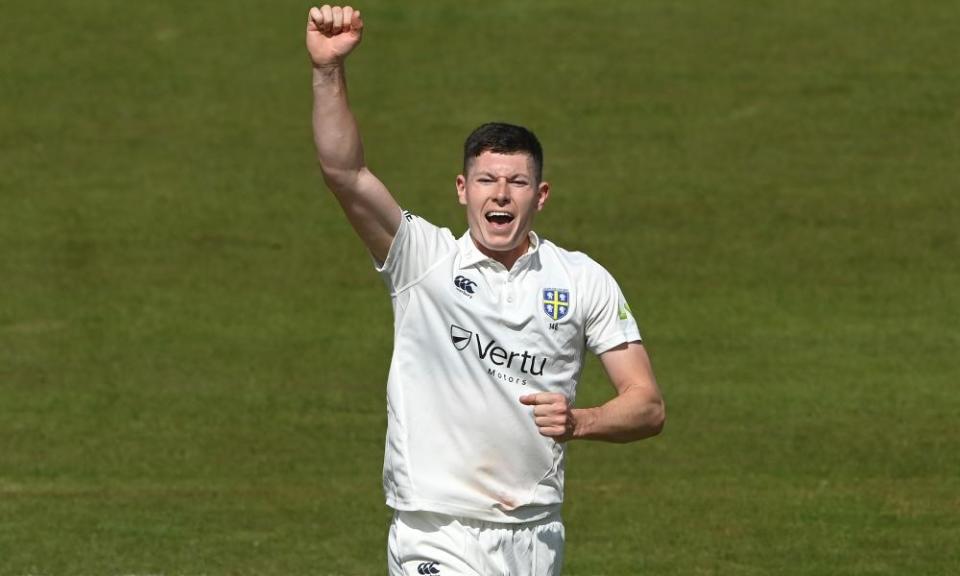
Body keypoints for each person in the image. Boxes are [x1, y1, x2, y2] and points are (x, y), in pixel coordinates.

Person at [306, 6, 665, 575]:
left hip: (535, 535)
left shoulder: (581, 279)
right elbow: (344, 173)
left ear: (540, 195)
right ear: (461, 189)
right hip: (436, 531)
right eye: (486, 180)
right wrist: (328, 71)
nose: (500, 194)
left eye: (517, 182)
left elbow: (646, 405)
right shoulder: (422, 260)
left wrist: (582, 422)